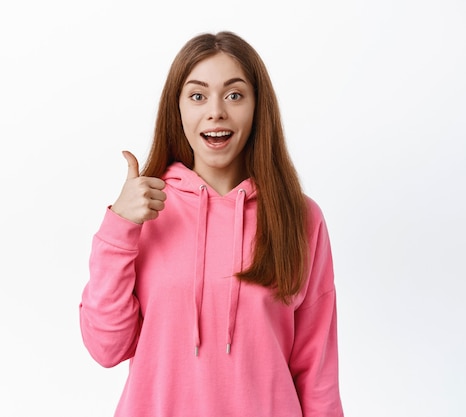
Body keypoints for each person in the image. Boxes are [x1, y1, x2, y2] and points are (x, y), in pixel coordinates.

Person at [79, 31, 344, 417]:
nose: (215, 111)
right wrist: (118, 227)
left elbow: (317, 373)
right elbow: (106, 348)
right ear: (178, 109)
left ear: (257, 108)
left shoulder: (299, 217)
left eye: (234, 95)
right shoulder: (145, 211)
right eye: (197, 95)